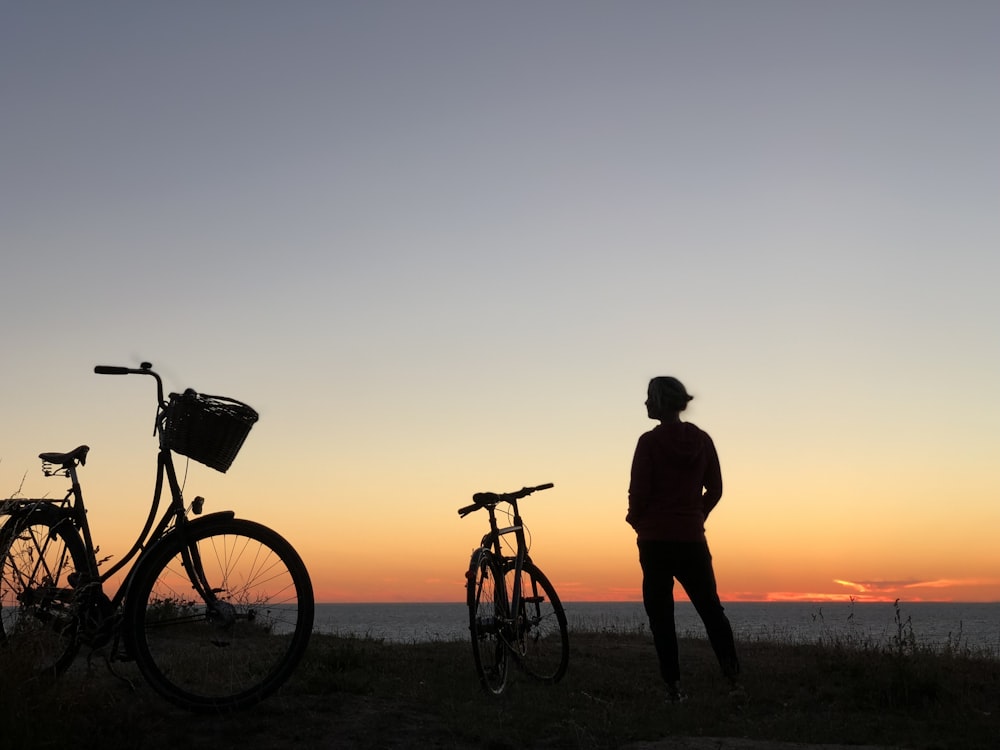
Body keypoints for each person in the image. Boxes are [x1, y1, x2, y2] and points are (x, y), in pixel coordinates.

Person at [626, 376, 741, 703]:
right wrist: (696, 515)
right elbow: (716, 489)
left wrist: (637, 521)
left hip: (655, 541)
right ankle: (733, 680)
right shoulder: (702, 440)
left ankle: (674, 688)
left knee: (661, 615)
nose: (646, 403)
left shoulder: (648, 442)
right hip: (692, 539)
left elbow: (639, 491)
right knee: (711, 610)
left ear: (661, 402)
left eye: (649, 397)